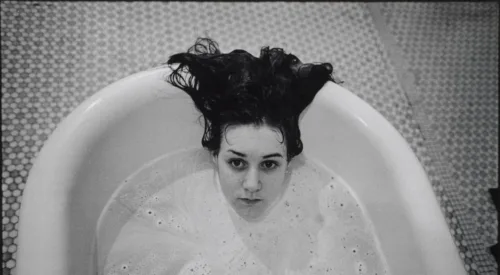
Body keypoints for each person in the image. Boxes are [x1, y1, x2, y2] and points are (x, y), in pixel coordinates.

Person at [166, 37, 341, 222]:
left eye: (269, 164)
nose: (252, 185)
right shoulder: (175, 201)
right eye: (236, 162)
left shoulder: (325, 214)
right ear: (214, 156)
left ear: (289, 162)